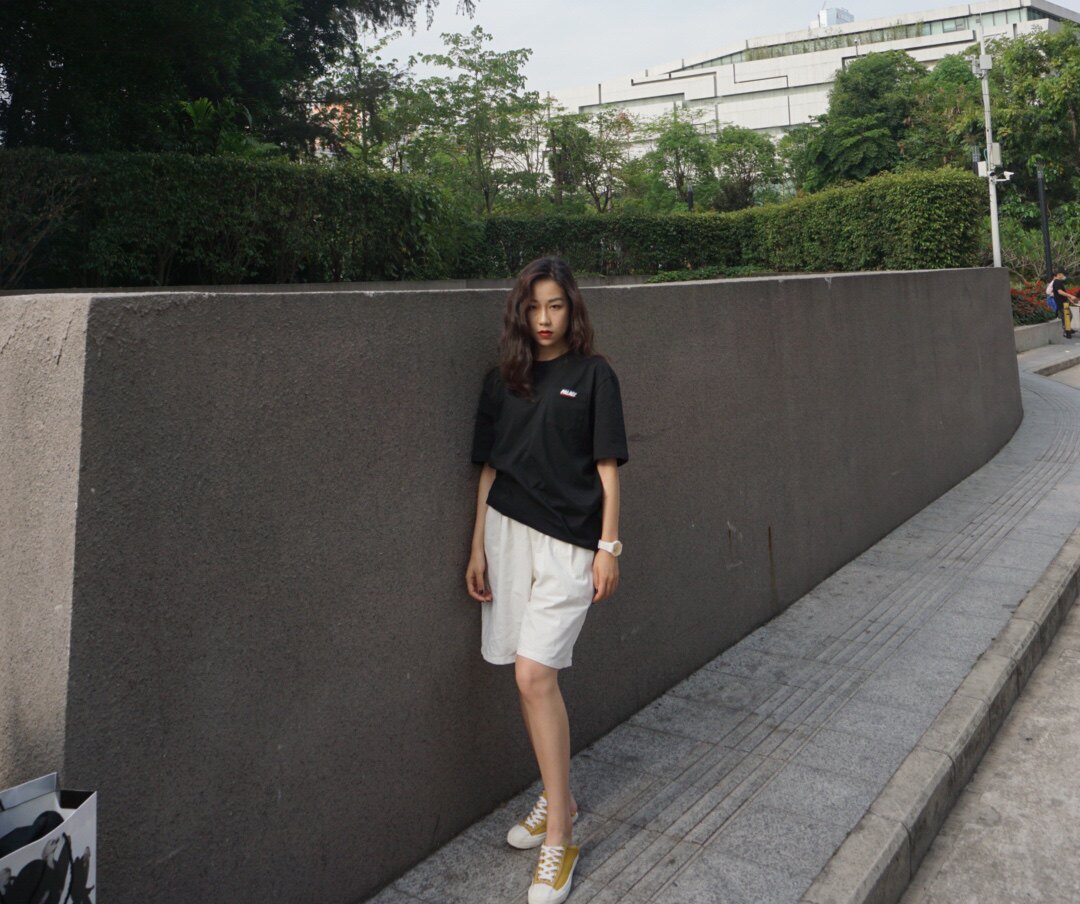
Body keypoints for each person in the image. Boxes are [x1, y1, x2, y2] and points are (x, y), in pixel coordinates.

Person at [466, 257, 628, 904]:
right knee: (527, 676)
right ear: (519, 312)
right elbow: (488, 470)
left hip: (570, 545)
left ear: (572, 308)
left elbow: (608, 467)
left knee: (535, 673)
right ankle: (560, 797)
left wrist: (608, 547)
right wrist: (476, 547)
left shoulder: (595, 376)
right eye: (533, 307)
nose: (543, 318)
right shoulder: (502, 380)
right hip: (506, 534)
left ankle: (560, 835)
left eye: (555, 305)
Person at [1047, 270, 1078, 338]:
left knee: (1067, 316)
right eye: (1063, 274)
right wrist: (1071, 296)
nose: (1064, 276)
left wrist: (1070, 299)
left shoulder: (1057, 282)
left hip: (1063, 302)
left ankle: (1067, 330)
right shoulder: (1057, 282)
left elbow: (1063, 293)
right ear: (1059, 274)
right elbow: (1060, 292)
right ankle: (1066, 331)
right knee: (1067, 316)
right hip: (1062, 303)